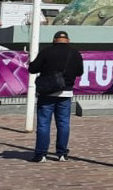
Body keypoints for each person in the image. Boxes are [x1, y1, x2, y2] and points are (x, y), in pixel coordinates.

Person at [27, 30, 84, 162]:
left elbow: (33, 69)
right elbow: (80, 72)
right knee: (63, 123)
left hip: (47, 92)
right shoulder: (75, 53)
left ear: (54, 40)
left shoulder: (47, 51)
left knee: (43, 123)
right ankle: (62, 153)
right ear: (68, 40)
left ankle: (41, 154)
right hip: (66, 92)